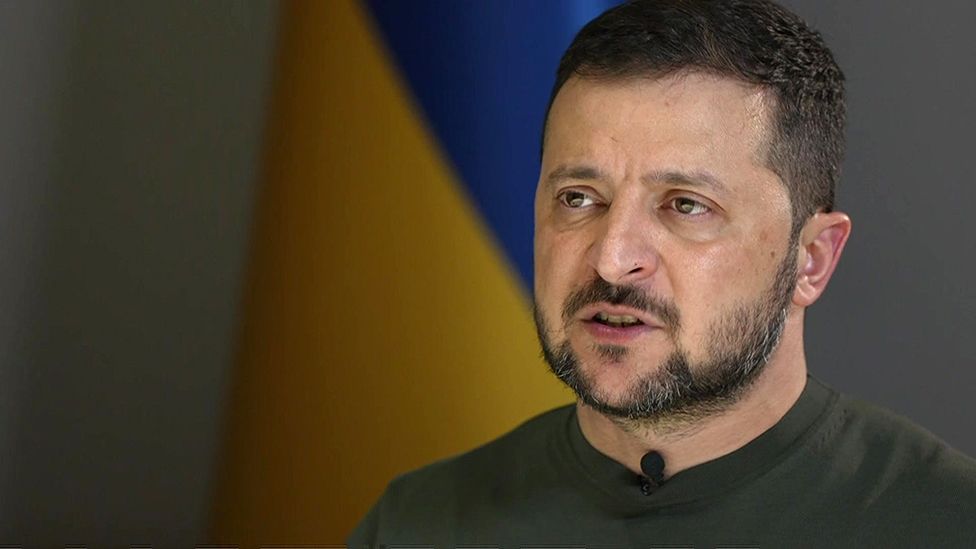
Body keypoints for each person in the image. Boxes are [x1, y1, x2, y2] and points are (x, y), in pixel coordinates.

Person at [347, 1, 976, 547]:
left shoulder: (948, 523)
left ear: (810, 259)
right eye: (578, 198)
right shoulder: (416, 525)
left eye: (686, 206)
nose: (611, 258)